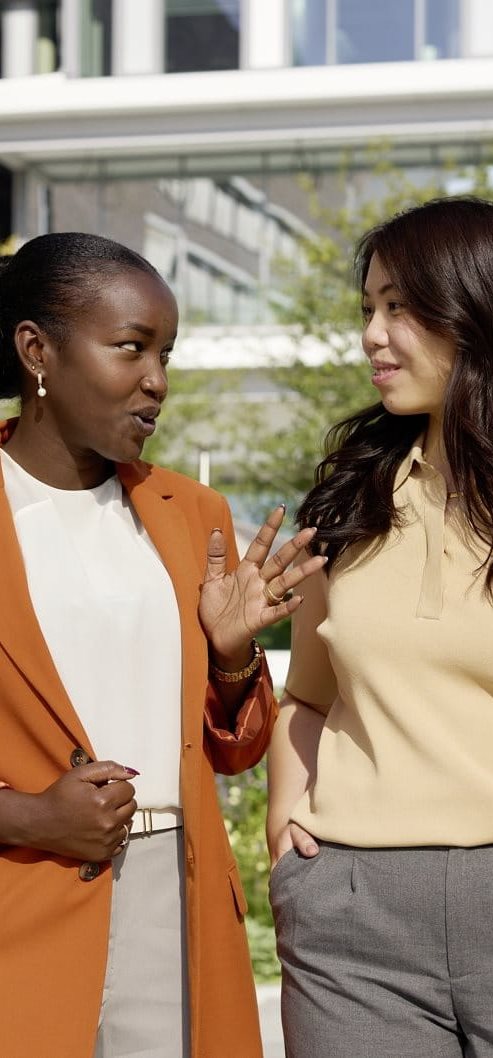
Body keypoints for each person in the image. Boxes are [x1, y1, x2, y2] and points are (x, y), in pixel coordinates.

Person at [0, 231, 326, 1058]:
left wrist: (232, 658)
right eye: (130, 348)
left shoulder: (195, 517)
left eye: (166, 353)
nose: (158, 382)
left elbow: (235, 747)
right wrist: (31, 814)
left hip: (178, 893)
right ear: (37, 350)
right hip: (23, 899)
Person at [267, 196, 493, 1058]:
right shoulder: (350, 503)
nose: (372, 334)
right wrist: (282, 819)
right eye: (368, 308)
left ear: (472, 310)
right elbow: (309, 698)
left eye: (400, 306)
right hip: (353, 922)